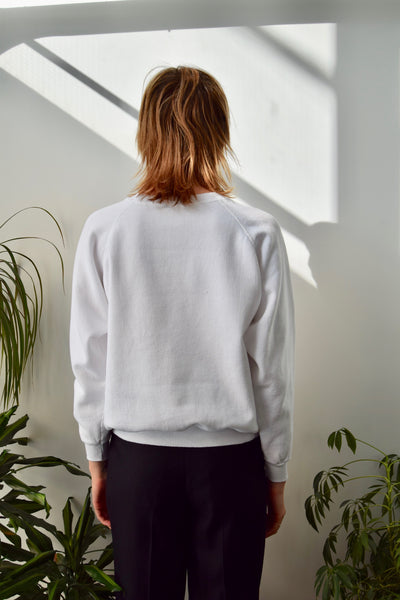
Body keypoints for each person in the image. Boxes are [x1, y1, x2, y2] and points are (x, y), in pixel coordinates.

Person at [69, 64, 295, 600]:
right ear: (219, 132)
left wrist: (98, 462)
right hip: (231, 465)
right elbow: (271, 371)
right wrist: (276, 472)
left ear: (146, 132)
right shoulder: (256, 232)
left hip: (138, 462)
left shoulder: (105, 230)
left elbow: (90, 360)